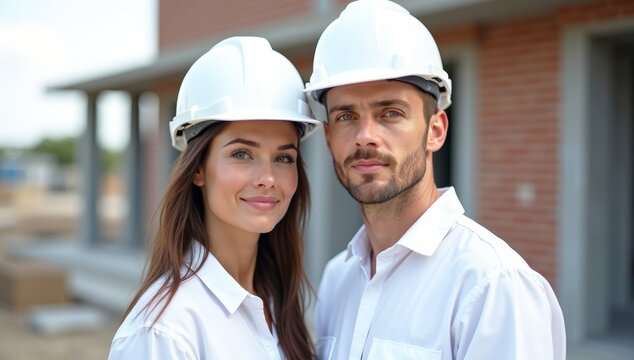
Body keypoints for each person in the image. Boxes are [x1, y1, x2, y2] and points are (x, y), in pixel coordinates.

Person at [304, 1, 566, 359]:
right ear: (328, 137)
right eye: (346, 116)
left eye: (390, 113)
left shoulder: (493, 285)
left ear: (436, 131)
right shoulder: (337, 278)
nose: (365, 136)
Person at [109, 36, 320, 360]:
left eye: (283, 158)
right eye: (242, 154)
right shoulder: (165, 333)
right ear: (198, 170)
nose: (267, 178)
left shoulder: (278, 302)